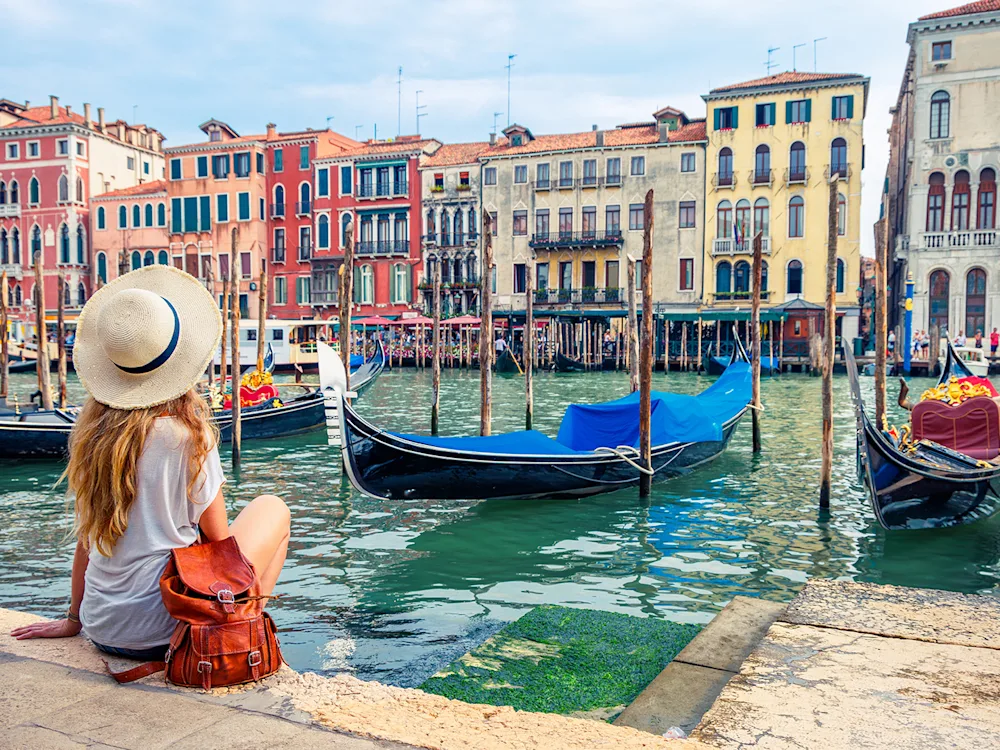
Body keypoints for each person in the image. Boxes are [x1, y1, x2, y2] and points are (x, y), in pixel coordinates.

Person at [11, 266, 290, 659]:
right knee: (272, 509)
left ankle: (235, 626)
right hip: (168, 629)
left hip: (103, 627)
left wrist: (74, 618)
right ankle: (237, 628)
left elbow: (86, 542)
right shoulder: (190, 437)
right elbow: (218, 541)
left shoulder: (92, 437)